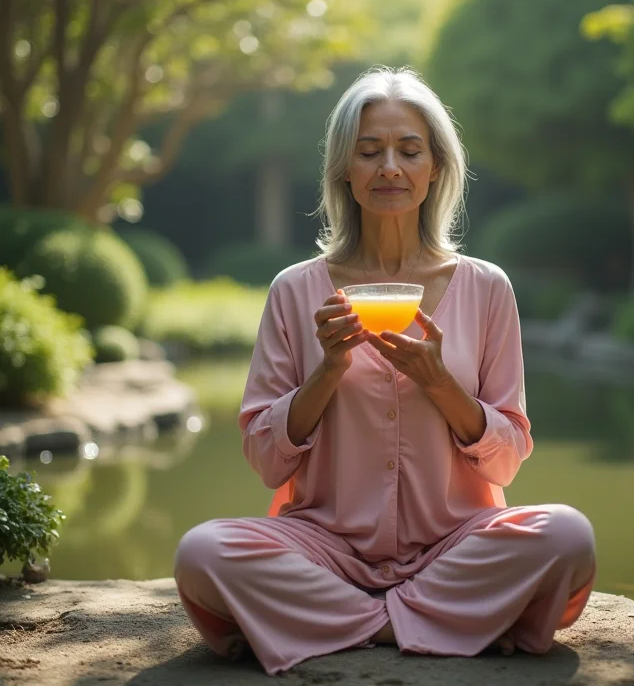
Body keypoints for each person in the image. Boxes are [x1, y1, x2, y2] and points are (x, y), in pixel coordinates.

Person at [174, 67, 596, 675]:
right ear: (345, 170)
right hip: (324, 546)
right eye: (368, 152)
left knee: (566, 536)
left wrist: (440, 385)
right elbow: (267, 462)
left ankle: (353, 623)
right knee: (204, 552)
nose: (389, 168)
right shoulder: (296, 290)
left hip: (457, 540)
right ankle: (428, 622)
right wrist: (326, 372)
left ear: (437, 169)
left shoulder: (485, 288)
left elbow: (506, 461)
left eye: (409, 150)